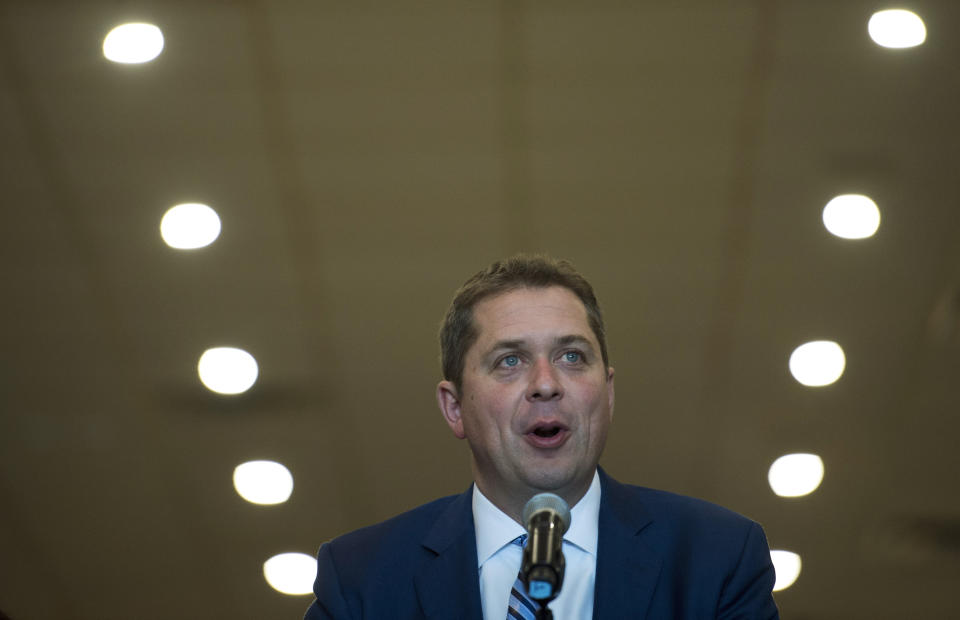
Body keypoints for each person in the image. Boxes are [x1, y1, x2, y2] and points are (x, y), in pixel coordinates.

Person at [304, 255, 779, 619]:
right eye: (509, 360)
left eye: (572, 356)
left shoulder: (717, 557)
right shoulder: (360, 579)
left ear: (608, 394)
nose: (546, 382)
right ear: (455, 409)